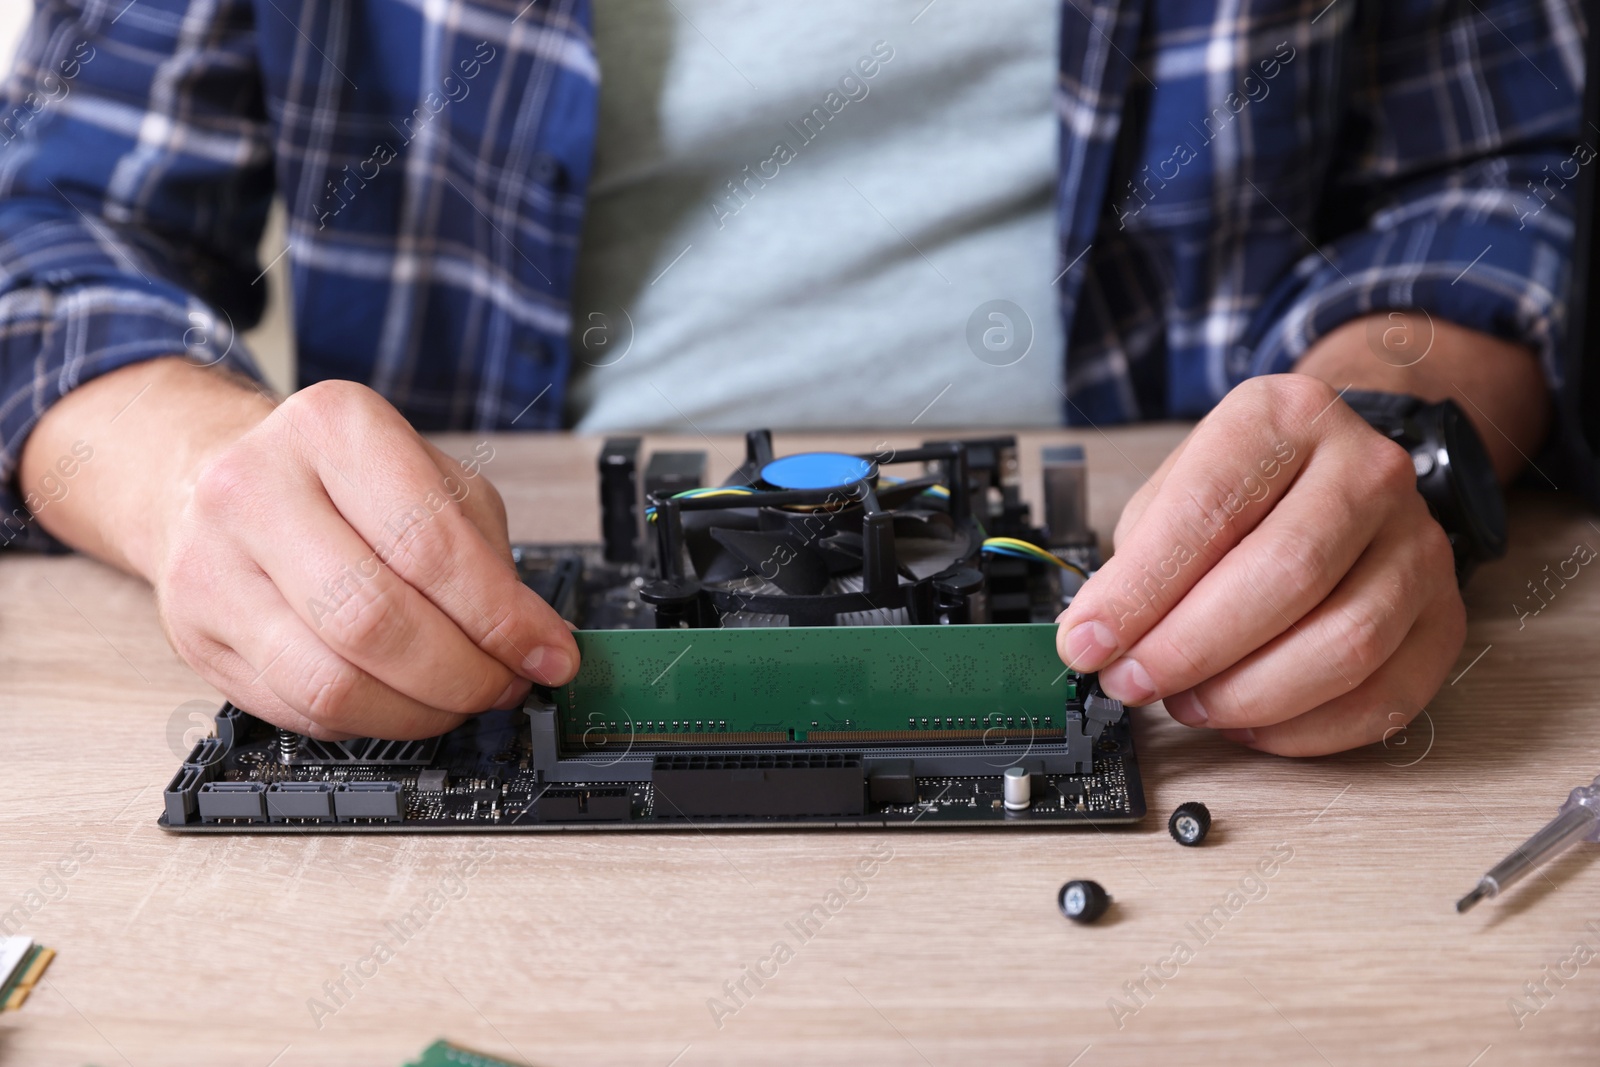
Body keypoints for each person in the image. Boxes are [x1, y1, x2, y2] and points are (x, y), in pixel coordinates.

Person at [0, 0, 1582, 755]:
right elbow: (52, 227)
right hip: (468, 652)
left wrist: (1388, 433)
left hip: (1187, 654)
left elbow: (1515, 177)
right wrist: (189, 475)